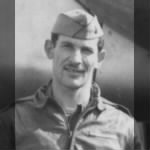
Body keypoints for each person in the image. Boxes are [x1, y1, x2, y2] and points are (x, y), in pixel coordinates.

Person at [1, 9, 143, 150]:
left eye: (86, 50)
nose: (76, 59)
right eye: (67, 46)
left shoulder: (125, 127)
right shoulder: (14, 121)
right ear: (50, 49)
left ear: (99, 59)